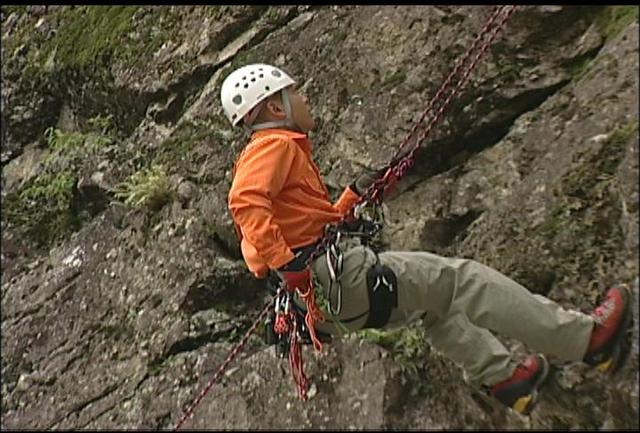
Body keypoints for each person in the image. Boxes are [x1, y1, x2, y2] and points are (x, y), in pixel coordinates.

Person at [220, 63, 634, 414]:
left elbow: (301, 225)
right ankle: (587, 340)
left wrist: (350, 198)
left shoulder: (276, 151)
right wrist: (290, 266)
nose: (304, 100)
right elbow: (245, 201)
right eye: (296, 93)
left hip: (324, 302)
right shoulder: (273, 144)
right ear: (276, 106)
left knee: (432, 306)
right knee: (462, 280)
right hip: (333, 279)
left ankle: (508, 380)